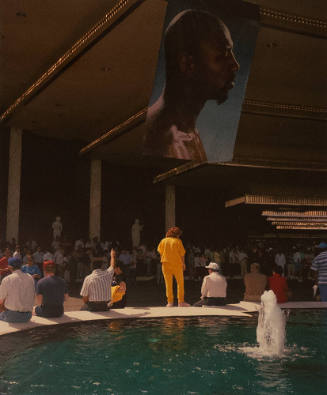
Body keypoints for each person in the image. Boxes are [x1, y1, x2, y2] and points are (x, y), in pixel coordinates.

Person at [144, 9, 239, 160]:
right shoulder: (163, 142)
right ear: (188, 64)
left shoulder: (186, 131)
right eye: (224, 54)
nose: (235, 65)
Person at [157, 226, 190, 307]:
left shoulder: (163, 241)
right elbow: (182, 254)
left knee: (168, 284)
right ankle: (181, 302)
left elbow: (160, 252)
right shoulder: (178, 241)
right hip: (177, 264)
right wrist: (183, 263)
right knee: (180, 283)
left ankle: (170, 302)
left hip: (165, 264)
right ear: (177, 234)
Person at [0, 257, 35, 322]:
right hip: (28, 316)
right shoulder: (30, 277)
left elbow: (1, 299)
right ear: (21, 266)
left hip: (12, 316)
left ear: (9, 267)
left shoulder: (7, 279)